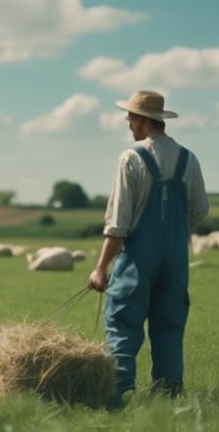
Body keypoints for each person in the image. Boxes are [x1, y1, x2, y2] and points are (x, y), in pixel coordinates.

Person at [87, 90, 209, 405]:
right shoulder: (188, 158)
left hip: (138, 259)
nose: (128, 123)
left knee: (123, 324)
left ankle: (117, 395)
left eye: (130, 117)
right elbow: (200, 210)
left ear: (141, 119)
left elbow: (118, 224)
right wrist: (176, 231)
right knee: (169, 325)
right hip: (176, 258)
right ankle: (168, 397)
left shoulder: (131, 158)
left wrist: (100, 268)